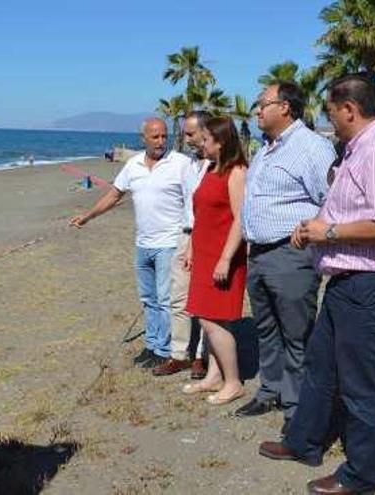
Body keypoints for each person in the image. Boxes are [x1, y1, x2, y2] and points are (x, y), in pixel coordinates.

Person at [259, 74, 375, 494]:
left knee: (362, 384)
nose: (329, 123)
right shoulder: (358, 149)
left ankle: (362, 475)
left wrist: (326, 234)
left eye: (332, 114)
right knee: (320, 366)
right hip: (348, 279)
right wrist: (315, 228)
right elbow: (349, 208)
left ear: (349, 109)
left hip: (374, 283)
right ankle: (304, 441)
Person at [236, 82, 335, 430]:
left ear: (286, 108)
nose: (257, 111)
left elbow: (333, 198)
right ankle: (270, 390)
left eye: (263, 104)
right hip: (259, 254)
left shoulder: (312, 147)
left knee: (296, 333)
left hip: (290, 254)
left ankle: (297, 406)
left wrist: (312, 227)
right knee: (267, 329)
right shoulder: (266, 149)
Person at [71, 118, 193, 369]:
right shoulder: (133, 164)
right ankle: (151, 344)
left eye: (164, 136)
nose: (161, 142)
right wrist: (88, 216)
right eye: (155, 137)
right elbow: (115, 194)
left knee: (165, 300)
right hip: (143, 244)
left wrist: (191, 237)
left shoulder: (181, 163)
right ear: (143, 139)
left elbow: (194, 201)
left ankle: (164, 349)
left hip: (170, 242)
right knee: (148, 298)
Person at [179, 116, 248, 405]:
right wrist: (193, 249)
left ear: (221, 142)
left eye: (206, 140)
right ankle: (214, 376)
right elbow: (202, 216)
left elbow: (239, 220)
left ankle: (233, 382)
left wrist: (225, 259)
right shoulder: (210, 168)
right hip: (205, 252)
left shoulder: (236, 171)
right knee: (209, 318)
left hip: (224, 256)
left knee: (212, 320)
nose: (201, 144)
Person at [152, 111, 209, 378]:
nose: (185, 139)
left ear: (205, 132)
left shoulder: (218, 166)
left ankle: (201, 356)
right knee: (179, 298)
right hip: (184, 236)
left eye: (190, 134)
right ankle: (178, 354)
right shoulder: (189, 165)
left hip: (207, 238)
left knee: (205, 302)